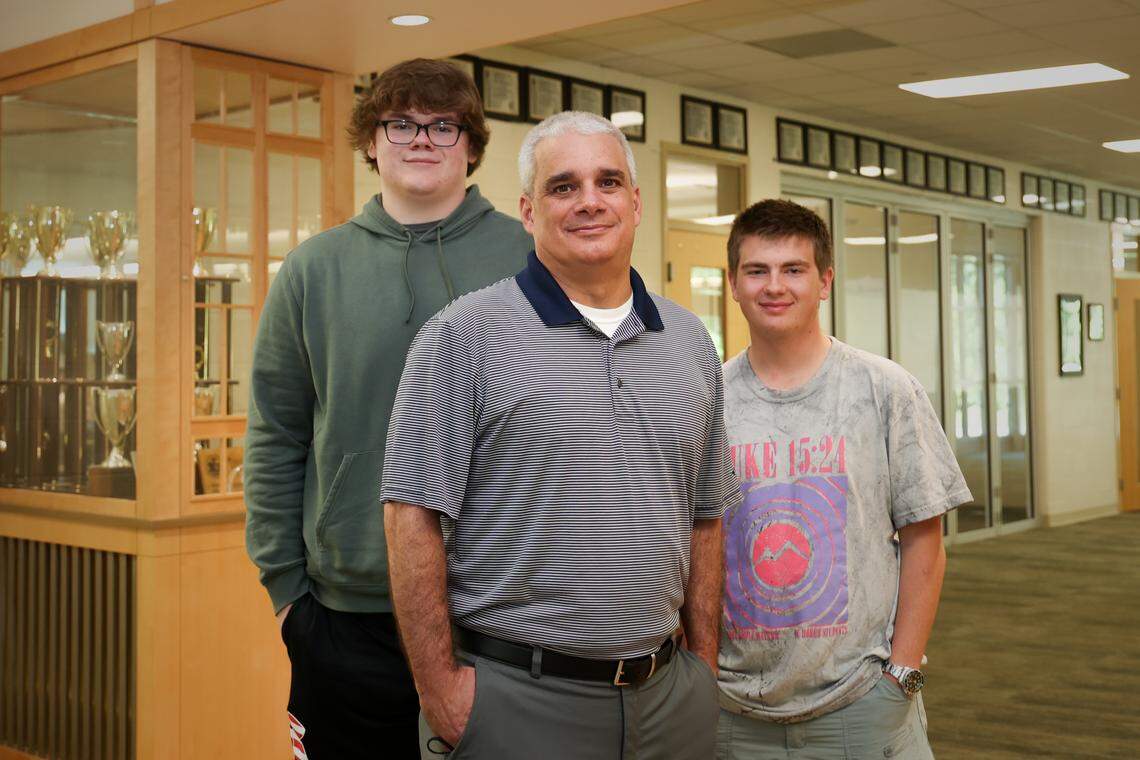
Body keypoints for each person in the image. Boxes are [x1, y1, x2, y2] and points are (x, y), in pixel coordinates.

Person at [380, 111, 741, 760]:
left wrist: (703, 671)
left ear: (636, 203)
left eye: (608, 182)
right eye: (563, 186)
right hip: (515, 703)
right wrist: (442, 694)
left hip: (668, 702)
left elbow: (705, 516)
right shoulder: (464, 335)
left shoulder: (691, 343)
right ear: (527, 210)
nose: (589, 201)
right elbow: (410, 520)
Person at [243, 58, 531, 759]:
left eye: (443, 124)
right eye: (399, 123)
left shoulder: (531, 258)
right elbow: (275, 433)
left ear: (470, 143)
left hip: (500, 617)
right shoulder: (313, 269)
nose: (421, 139)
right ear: (371, 141)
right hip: (344, 618)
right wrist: (288, 598)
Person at [716, 199, 971, 759]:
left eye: (794, 269)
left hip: (863, 706)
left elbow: (925, 540)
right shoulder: (708, 400)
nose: (774, 286)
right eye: (757, 270)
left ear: (825, 280)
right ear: (733, 283)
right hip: (732, 714)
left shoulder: (885, 389)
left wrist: (902, 675)